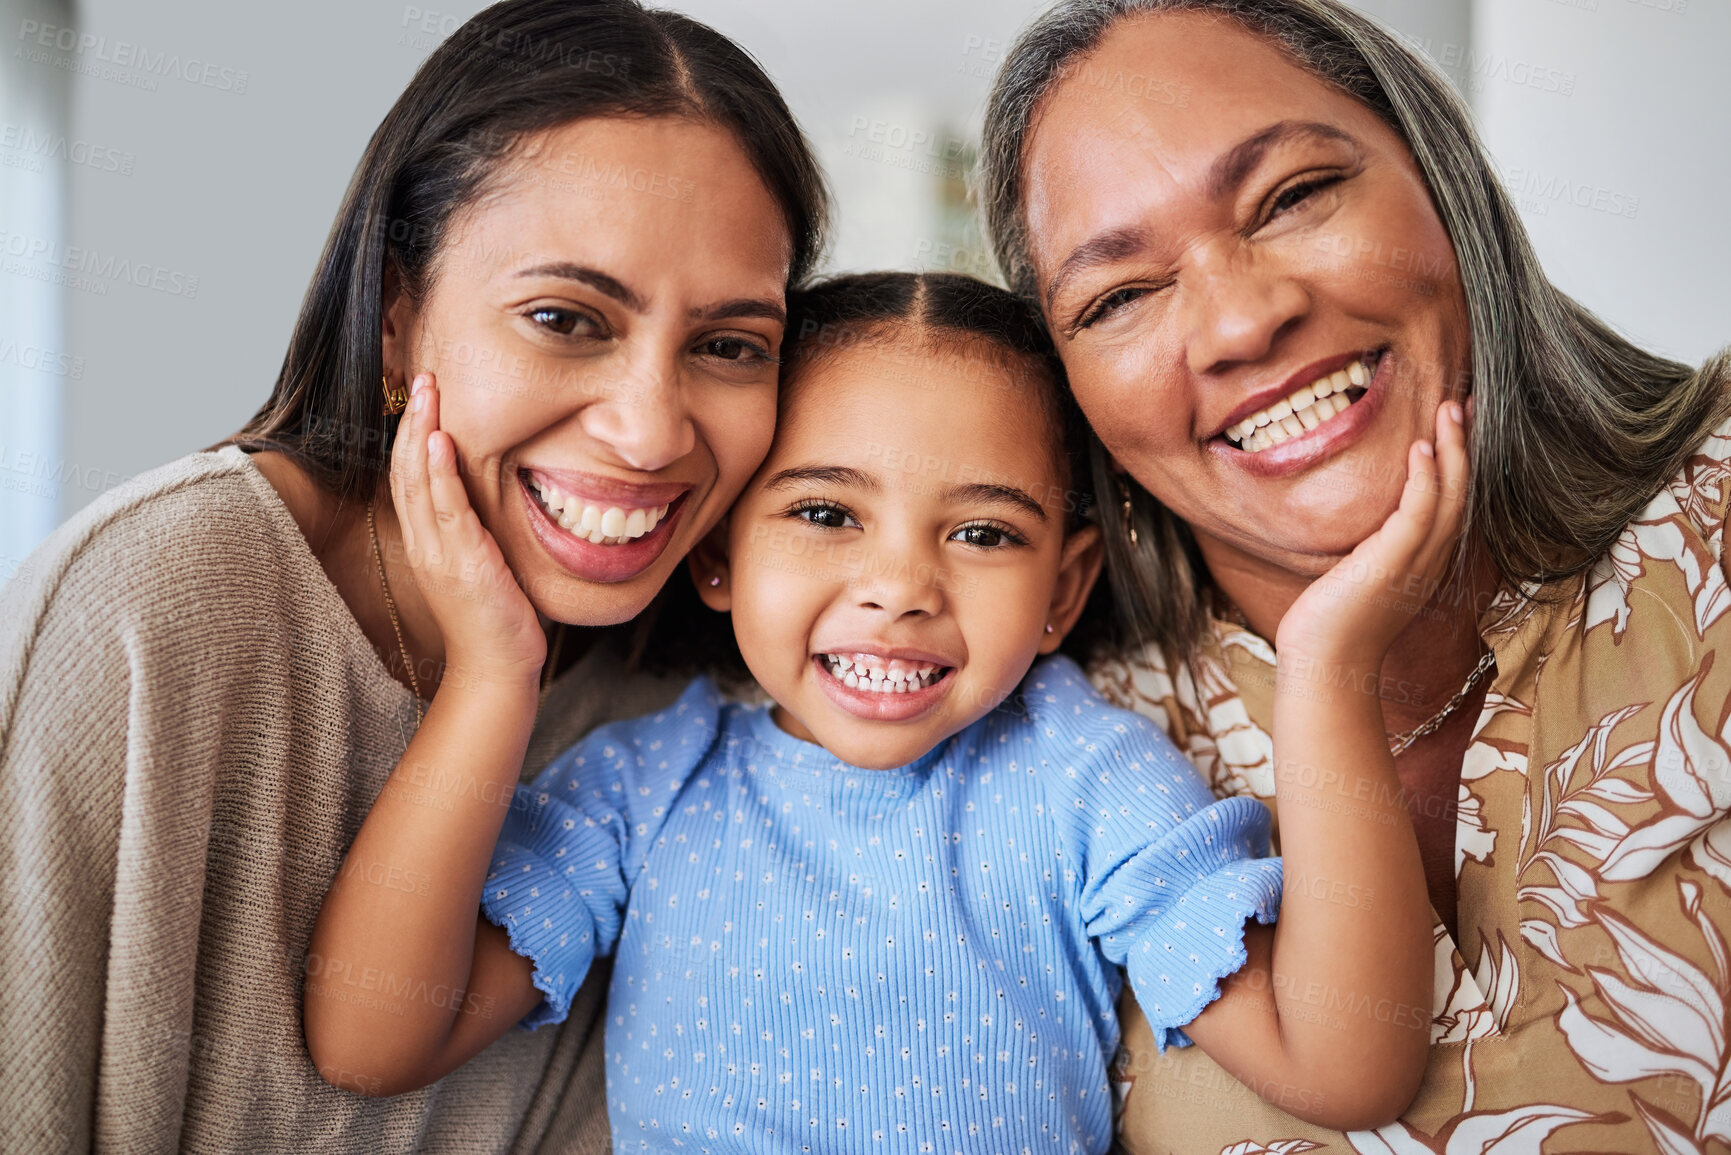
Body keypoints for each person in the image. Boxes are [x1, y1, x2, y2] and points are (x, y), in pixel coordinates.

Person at [305, 271, 1471, 1148]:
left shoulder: (1085, 780)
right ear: (715, 559)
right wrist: (492, 674)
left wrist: (1328, 673)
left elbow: (1348, 1062)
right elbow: (371, 1039)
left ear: (1063, 593)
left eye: (982, 534)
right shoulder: (644, 786)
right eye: (824, 514)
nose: (902, 588)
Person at [0, 1, 826, 1150]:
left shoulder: (703, 703)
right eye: (564, 318)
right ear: (396, 317)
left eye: (731, 345)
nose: (650, 432)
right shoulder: (151, 604)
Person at [979, 1, 1731, 1151]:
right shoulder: (1039, 747)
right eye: (1120, 296)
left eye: (1291, 198)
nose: (1240, 321)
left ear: (1444, 179)